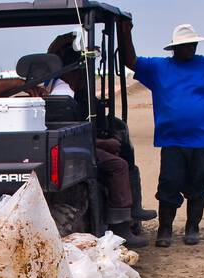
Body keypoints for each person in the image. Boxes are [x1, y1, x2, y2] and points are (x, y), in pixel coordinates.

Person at [118, 21, 204, 247]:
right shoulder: (158, 68)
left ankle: (192, 227)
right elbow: (130, 61)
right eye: (185, 45)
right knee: (169, 184)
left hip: (203, 139)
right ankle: (165, 230)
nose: (190, 48)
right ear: (174, 48)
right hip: (172, 140)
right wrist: (126, 32)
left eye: (193, 44)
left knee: (199, 183)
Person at [46, 33, 152, 248]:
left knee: (118, 136)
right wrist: (103, 143)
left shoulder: (49, 83)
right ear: (73, 69)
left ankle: (132, 208)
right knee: (117, 164)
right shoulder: (64, 93)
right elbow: (72, 136)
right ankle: (121, 225)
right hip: (71, 150)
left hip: (62, 145)